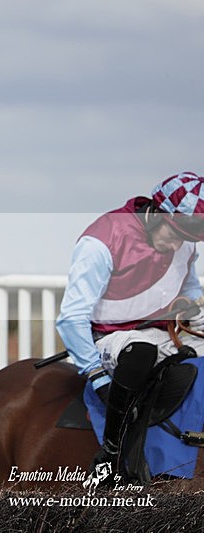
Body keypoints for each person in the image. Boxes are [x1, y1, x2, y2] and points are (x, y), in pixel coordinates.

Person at [56, 172, 204, 482]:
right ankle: (110, 457)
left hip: (163, 331)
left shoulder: (186, 244)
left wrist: (189, 307)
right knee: (142, 350)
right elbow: (71, 318)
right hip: (110, 336)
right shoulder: (102, 239)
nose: (178, 244)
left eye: (186, 239)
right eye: (174, 234)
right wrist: (97, 376)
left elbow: (188, 290)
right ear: (154, 214)